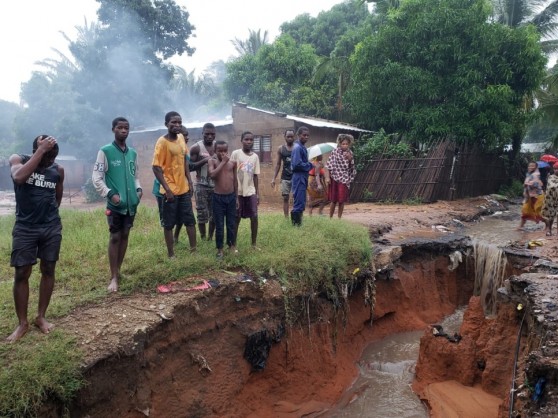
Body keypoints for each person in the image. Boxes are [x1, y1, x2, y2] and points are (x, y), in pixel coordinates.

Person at [7, 135, 64, 342]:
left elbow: (57, 198)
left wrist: (48, 218)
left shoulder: (57, 170)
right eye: (46, 154)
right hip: (25, 228)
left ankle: (41, 316)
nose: (49, 160)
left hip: (50, 227)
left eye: (52, 156)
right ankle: (22, 323)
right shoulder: (17, 160)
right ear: (36, 149)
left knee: (48, 269)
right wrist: (40, 152)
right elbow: (19, 178)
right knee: (22, 272)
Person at [92, 117, 142, 292]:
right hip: (115, 205)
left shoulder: (132, 153)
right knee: (115, 237)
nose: (123, 130)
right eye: (120, 127)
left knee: (126, 235)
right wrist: (110, 194)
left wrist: (138, 190)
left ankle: (118, 271)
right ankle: (113, 277)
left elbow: (136, 176)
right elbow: (96, 178)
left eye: (126, 128)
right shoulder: (105, 151)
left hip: (131, 205)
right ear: (113, 129)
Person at [152, 111, 197, 257]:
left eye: (179, 122)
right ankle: (171, 254)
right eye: (173, 122)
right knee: (169, 223)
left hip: (183, 188)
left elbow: (184, 159)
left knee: (190, 220)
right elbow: (156, 167)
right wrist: (167, 189)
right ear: (166, 124)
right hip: (169, 190)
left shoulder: (181, 138)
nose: (177, 125)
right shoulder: (162, 142)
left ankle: (193, 250)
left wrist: (189, 181)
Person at [152, 125, 190, 243]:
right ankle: (170, 240)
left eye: (187, 136)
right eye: (184, 136)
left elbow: (186, 167)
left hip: (180, 188)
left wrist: (189, 182)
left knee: (181, 216)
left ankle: (175, 237)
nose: (186, 138)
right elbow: (157, 167)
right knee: (168, 219)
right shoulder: (164, 144)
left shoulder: (183, 149)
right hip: (163, 189)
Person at [208, 140, 238, 259]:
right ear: (215, 151)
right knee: (219, 225)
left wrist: (236, 198)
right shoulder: (212, 161)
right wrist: (223, 162)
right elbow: (212, 175)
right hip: (218, 198)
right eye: (219, 151)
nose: (222, 153)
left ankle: (231, 246)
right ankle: (219, 249)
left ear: (228, 150)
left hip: (230, 197)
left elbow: (235, 181)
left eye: (225, 150)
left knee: (231, 224)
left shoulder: (233, 163)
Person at [231, 131, 260, 249]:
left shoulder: (255, 157)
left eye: (251, 140)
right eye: (246, 139)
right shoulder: (236, 154)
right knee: (236, 218)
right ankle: (233, 245)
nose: (249, 142)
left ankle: (253, 244)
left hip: (250, 190)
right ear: (241, 140)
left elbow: (255, 176)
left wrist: (257, 193)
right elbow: (231, 171)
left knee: (254, 217)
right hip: (237, 191)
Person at [189, 123, 216, 240]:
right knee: (201, 212)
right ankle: (203, 237)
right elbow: (190, 167)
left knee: (214, 213)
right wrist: (205, 160)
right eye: (207, 134)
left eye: (212, 134)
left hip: (215, 185)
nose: (210, 136)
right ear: (202, 133)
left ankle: (210, 237)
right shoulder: (196, 147)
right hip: (201, 185)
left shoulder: (218, 146)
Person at [327, 133, 357, 219]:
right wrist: (328, 177)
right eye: (343, 144)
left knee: (341, 200)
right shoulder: (335, 152)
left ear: (349, 144)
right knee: (333, 200)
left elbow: (352, 169)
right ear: (340, 144)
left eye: (347, 144)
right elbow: (329, 165)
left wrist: (350, 159)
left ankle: (339, 218)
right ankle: (330, 218)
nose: (345, 145)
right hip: (335, 178)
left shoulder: (350, 153)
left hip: (344, 179)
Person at [290, 126, 313, 226]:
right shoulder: (298, 148)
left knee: (301, 202)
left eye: (308, 135)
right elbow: (296, 165)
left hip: (302, 177)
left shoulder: (302, 147)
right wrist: (310, 165)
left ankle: (299, 224)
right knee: (299, 202)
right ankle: (296, 226)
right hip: (299, 177)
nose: (306, 137)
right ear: (299, 135)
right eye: (304, 135)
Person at [271, 129, 295, 218]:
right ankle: (286, 218)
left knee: (296, 198)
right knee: (285, 197)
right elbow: (278, 164)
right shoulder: (281, 149)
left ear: (294, 137)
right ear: (285, 137)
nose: (290, 138)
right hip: (285, 177)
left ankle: (296, 216)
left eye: (291, 136)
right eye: (288, 136)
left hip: (295, 177)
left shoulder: (297, 148)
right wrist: (273, 178)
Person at [518, 161, 544, 230]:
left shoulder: (536, 174)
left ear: (536, 167)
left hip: (537, 196)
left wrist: (527, 184)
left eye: (532, 166)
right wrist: (525, 185)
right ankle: (520, 226)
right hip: (529, 196)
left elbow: (536, 185)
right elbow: (526, 184)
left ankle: (548, 226)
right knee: (525, 210)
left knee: (538, 211)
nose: (530, 167)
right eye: (529, 166)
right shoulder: (528, 174)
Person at [542, 162, 558, 236]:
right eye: (555, 168)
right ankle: (549, 229)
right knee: (550, 216)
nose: (556, 170)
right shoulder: (551, 177)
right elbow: (551, 186)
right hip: (550, 199)